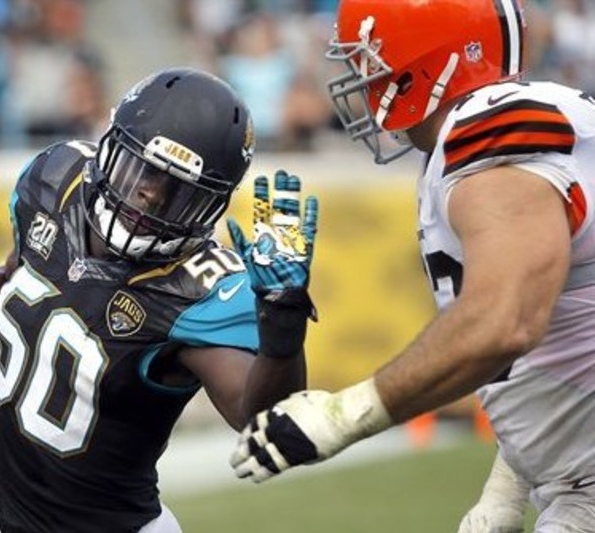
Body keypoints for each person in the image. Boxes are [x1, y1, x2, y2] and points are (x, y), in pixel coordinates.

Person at [0, 67, 319, 532]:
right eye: (143, 169)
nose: (150, 194)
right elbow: (17, 288)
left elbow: (264, 418)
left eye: (178, 191)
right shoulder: (54, 181)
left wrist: (281, 322)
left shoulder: (197, 288)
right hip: (8, 522)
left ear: (211, 206)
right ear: (110, 146)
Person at [230, 1, 595, 531]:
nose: (360, 79)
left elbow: (506, 321)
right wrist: (513, 477)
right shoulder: (486, 141)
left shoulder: (492, 136)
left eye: (369, 62)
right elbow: (565, 331)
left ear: (432, 58)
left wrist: (344, 417)